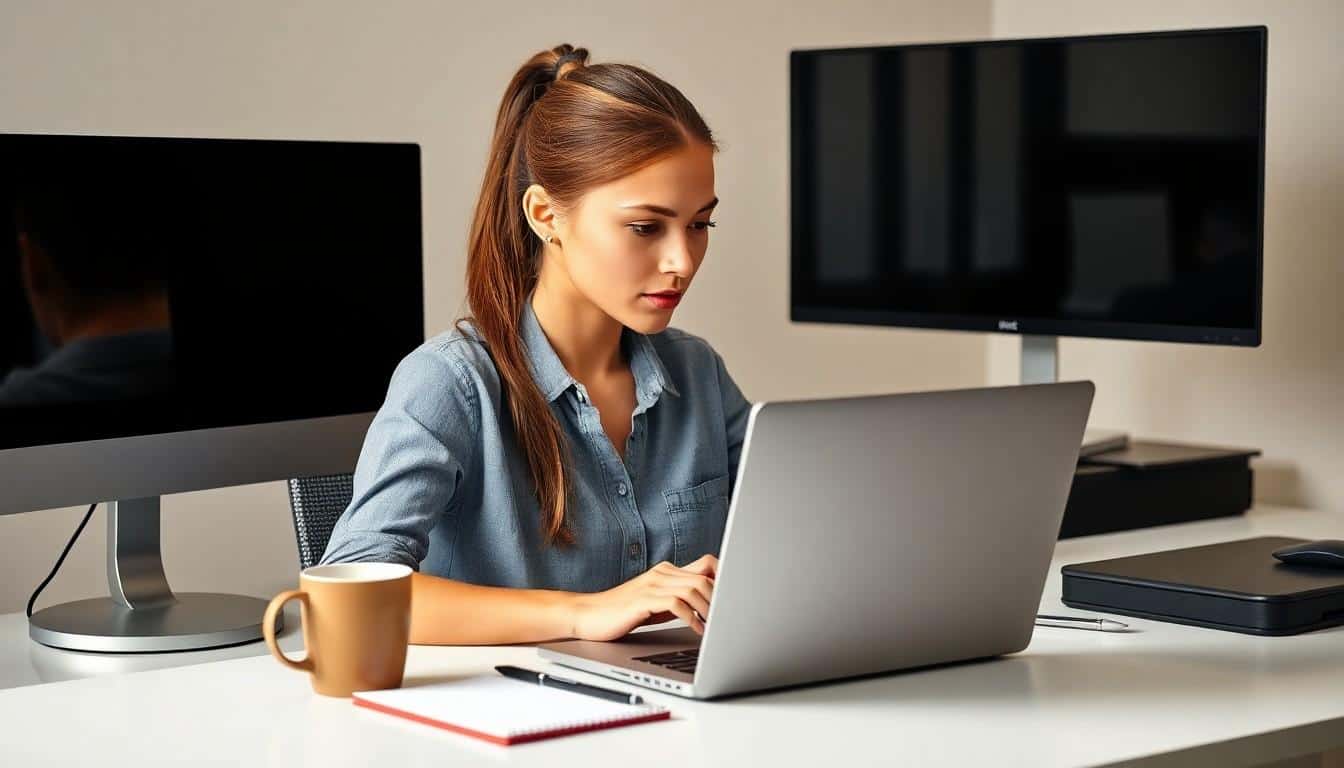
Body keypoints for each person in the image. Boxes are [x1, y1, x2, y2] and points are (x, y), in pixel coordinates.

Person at [320, 44, 751, 647]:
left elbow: (792, 538)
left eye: (699, 224)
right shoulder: (452, 383)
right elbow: (356, 598)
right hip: (507, 725)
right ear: (546, 214)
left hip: (681, 714)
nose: (681, 261)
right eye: (645, 227)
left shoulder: (699, 372)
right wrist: (581, 613)